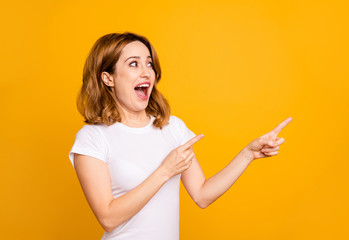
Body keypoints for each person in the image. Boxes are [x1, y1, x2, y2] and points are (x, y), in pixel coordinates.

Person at [69, 32, 292, 240]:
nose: (146, 71)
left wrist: (247, 154)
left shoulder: (172, 127)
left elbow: (202, 195)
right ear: (108, 78)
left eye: (149, 63)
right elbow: (108, 218)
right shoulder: (92, 138)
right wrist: (165, 171)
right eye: (133, 64)